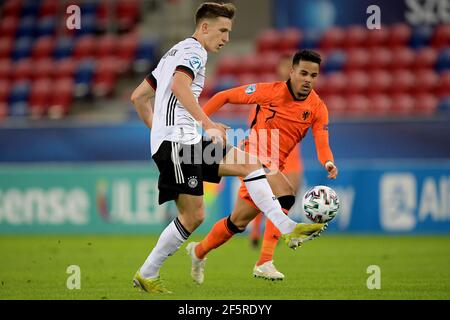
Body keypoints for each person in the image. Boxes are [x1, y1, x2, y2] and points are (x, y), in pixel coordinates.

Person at [130, 3, 326, 294]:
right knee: (193, 216)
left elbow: (138, 97)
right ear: (204, 27)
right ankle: (148, 272)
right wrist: (204, 123)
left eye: (229, 32)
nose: (226, 38)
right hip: (179, 144)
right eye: (223, 30)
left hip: (183, 142)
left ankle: (285, 225)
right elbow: (180, 86)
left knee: (250, 164)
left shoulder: (173, 52)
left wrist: (159, 133)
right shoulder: (194, 52)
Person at [186, 49, 338, 284]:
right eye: (304, 73)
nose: (308, 79)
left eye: (313, 75)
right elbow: (224, 96)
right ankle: (265, 261)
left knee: (237, 222)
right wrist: (200, 123)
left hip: (274, 164)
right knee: (286, 193)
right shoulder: (270, 91)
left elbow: (322, 143)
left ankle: (198, 252)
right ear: (292, 71)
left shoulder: (317, 108)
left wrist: (328, 162)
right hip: (250, 158)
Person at [248, 53, 305, 281]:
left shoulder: (303, 97)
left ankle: (278, 236)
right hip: (271, 154)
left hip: (292, 155)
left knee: (288, 196)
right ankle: (260, 239)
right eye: (284, 67)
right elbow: (256, 127)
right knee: (270, 199)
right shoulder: (268, 95)